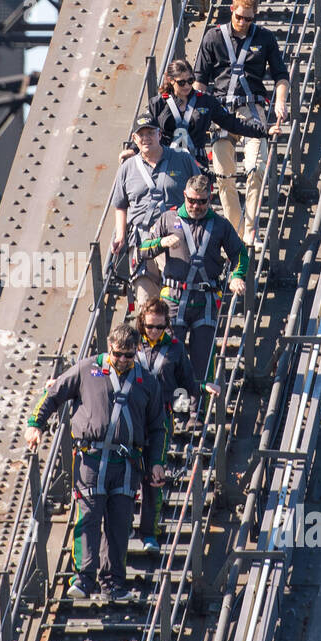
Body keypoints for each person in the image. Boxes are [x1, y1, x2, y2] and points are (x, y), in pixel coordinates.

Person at [25, 323, 168, 601]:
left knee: (119, 523)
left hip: (126, 464)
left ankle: (114, 583)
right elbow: (54, 395)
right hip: (90, 460)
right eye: (118, 354)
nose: (123, 360)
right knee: (88, 519)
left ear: (137, 350)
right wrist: (35, 425)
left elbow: (157, 427)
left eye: (129, 355)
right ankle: (84, 579)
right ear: (109, 347)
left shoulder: (148, 382)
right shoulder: (86, 369)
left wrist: (156, 463)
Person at [193, 0, 290, 243]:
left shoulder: (265, 38)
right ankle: (236, 235)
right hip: (221, 111)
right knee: (224, 176)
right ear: (232, 10)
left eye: (249, 18)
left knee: (256, 168)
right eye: (240, 17)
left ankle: (250, 231)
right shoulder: (213, 38)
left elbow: (281, 75)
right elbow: (200, 80)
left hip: (252, 108)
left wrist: (280, 101)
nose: (244, 23)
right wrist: (194, 112)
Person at [138, 175, 248, 385]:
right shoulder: (167, 220)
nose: (196, 206)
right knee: (166, 361)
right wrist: (161, 242)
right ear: (184, 196)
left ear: (210, 198)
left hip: (205, 301)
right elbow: (142, 250)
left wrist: (236, 277)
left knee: (204, 364)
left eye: (202, 201)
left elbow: (240, 254)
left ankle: (197, 417)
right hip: (173, 300)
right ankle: (169, 413)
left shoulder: (220, 224)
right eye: (191, 200)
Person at [132, 298, 221, 553]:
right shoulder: (131, 344)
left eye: (160, 327)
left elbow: (187, 381)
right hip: (132, 417)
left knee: (155, 477)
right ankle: (126, 524)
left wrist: (203, 388)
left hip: (160, 419)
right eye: (150, 326)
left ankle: (150, 534)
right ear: (142, 322)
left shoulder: (175, 348)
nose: (154, 332)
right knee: (127, 475)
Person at [109, 114, 200, 305]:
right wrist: (120, 236)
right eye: (141, 134)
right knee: (146, 304)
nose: (146, 138)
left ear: (159, 134)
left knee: (175, 299)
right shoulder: (127, 168)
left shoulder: (182, 159)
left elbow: (200, 192)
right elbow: (120, 205)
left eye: (150, 132)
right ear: (134, 139)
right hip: (142, 240)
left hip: (175, 237)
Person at [120, 59, 267, 172]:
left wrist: (263, 131)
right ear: (171, 81)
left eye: (190, 81)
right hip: (165, 162)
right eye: (181, 82)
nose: (187, 86)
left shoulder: (206, 100)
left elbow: (231, 123)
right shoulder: (158, 103)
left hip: (196, 163)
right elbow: (145, 128)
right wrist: (133, 149)